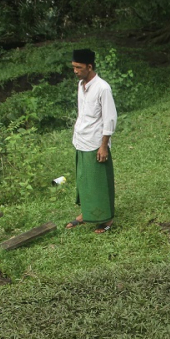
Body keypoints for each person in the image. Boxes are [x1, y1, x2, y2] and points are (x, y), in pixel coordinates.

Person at [65, 49, 118, 233]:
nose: (75, 71)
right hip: (81, 140)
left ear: (89, 66)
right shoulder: (81, 85)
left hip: (96, 143)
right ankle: (86, 213)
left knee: (99, 182)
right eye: (73, 67)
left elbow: (110, 118)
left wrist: (103, 146)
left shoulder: (102, 88)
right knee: (84, 180)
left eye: (79, 67)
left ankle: (107, 219)